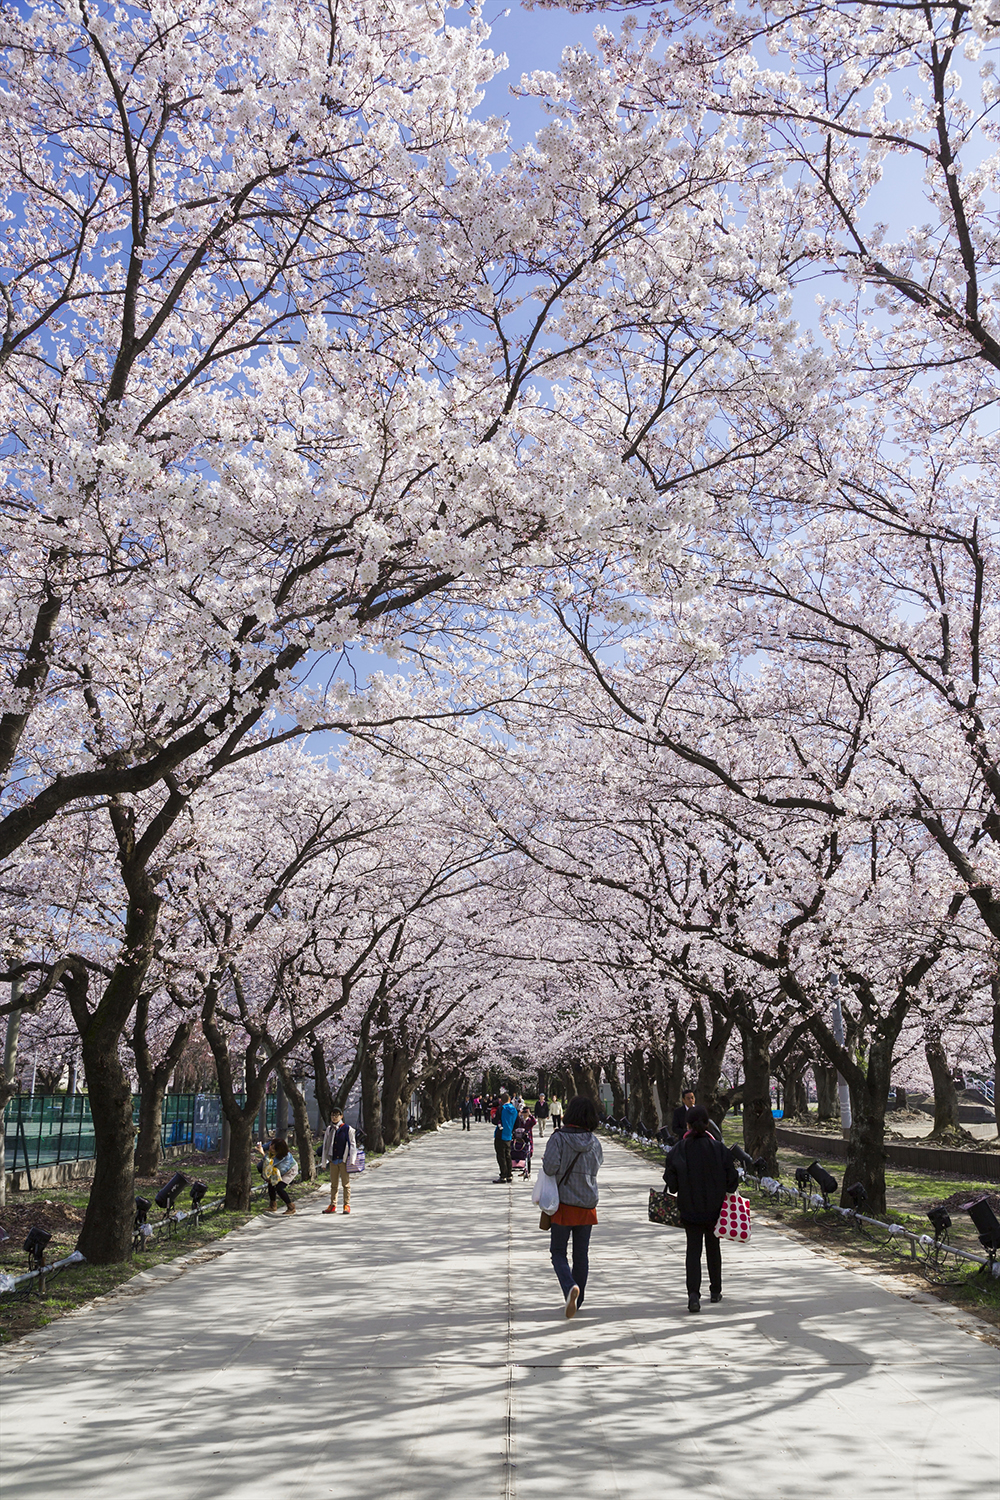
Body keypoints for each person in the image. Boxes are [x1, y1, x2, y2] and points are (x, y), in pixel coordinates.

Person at [663, 1104, 739, 1312]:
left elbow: (672, 1184)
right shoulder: (719, 1149)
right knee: (713, 1248)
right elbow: (732, 1180)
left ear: (687, 1124)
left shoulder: (679, 1150)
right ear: (707, 1125)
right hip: (715, 1208)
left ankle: (693, 1295)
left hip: (689, 1208)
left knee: (693, 1251)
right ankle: (715, 1290)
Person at [541, 1094, 603, 1319]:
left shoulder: (558, 1138)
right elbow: (597, 1167)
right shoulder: (595, 1142)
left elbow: (550, 1168)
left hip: (563, 1204)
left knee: (558, 1251)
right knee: (581, 1254)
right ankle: (579, 1297)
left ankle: (569, 1288)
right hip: (587, 1204)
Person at [320, 1108, 358, 1214]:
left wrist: (352, 1160)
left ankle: (346, 1204)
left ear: (341, 1116)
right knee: (333, 1184)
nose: (334, 1117)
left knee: (346, 1184)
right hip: (333, 1160)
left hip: (344, 1160)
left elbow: (352, 1144)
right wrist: (324, 1162)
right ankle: (333, 1204)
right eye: (332, 1115)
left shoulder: (347, 1129)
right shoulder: (329, 1129)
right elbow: (325, 1147)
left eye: (337, 1115)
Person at [257, 1138, 298, 1215]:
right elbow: (264, 1147)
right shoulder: (273, 1144)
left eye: (273, 1149)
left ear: (279, 1150)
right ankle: (273, 1206)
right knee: (271, 1184)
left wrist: (262, 1153)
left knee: (279, 1188)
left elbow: (271, 1164)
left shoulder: (284, 1156)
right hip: (276, 1169)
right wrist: (259, 1146)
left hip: (289, 1171)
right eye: (271, 1146)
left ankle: (291, 1207)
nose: (270, 1148)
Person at [493, 1091, 518, 1182]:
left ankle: (503, 1175)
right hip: (509, 1135)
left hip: (500, 1134)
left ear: (501, 1100)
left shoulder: (501, 1109)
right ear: (509, 1099)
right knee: (508, 1155)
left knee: (501, 1155)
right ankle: (509, 1175)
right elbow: (517, 1124)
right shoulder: (514, 1110)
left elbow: (495, 1121)